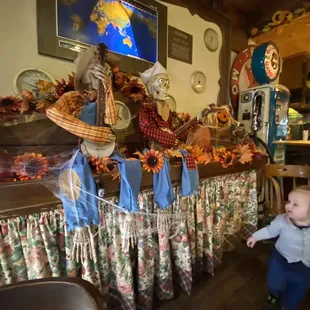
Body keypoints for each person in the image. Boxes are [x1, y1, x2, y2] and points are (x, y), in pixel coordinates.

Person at [247, 186, 310, 310]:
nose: (288, 206)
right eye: (289, 201)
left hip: (304, 267)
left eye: (295, 204)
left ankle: (288, 306)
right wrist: (255, 237)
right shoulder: (282, 220)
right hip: (280, 258)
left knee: (297, 290)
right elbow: (270, 231)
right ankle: (274, 294)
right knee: (273, 280)